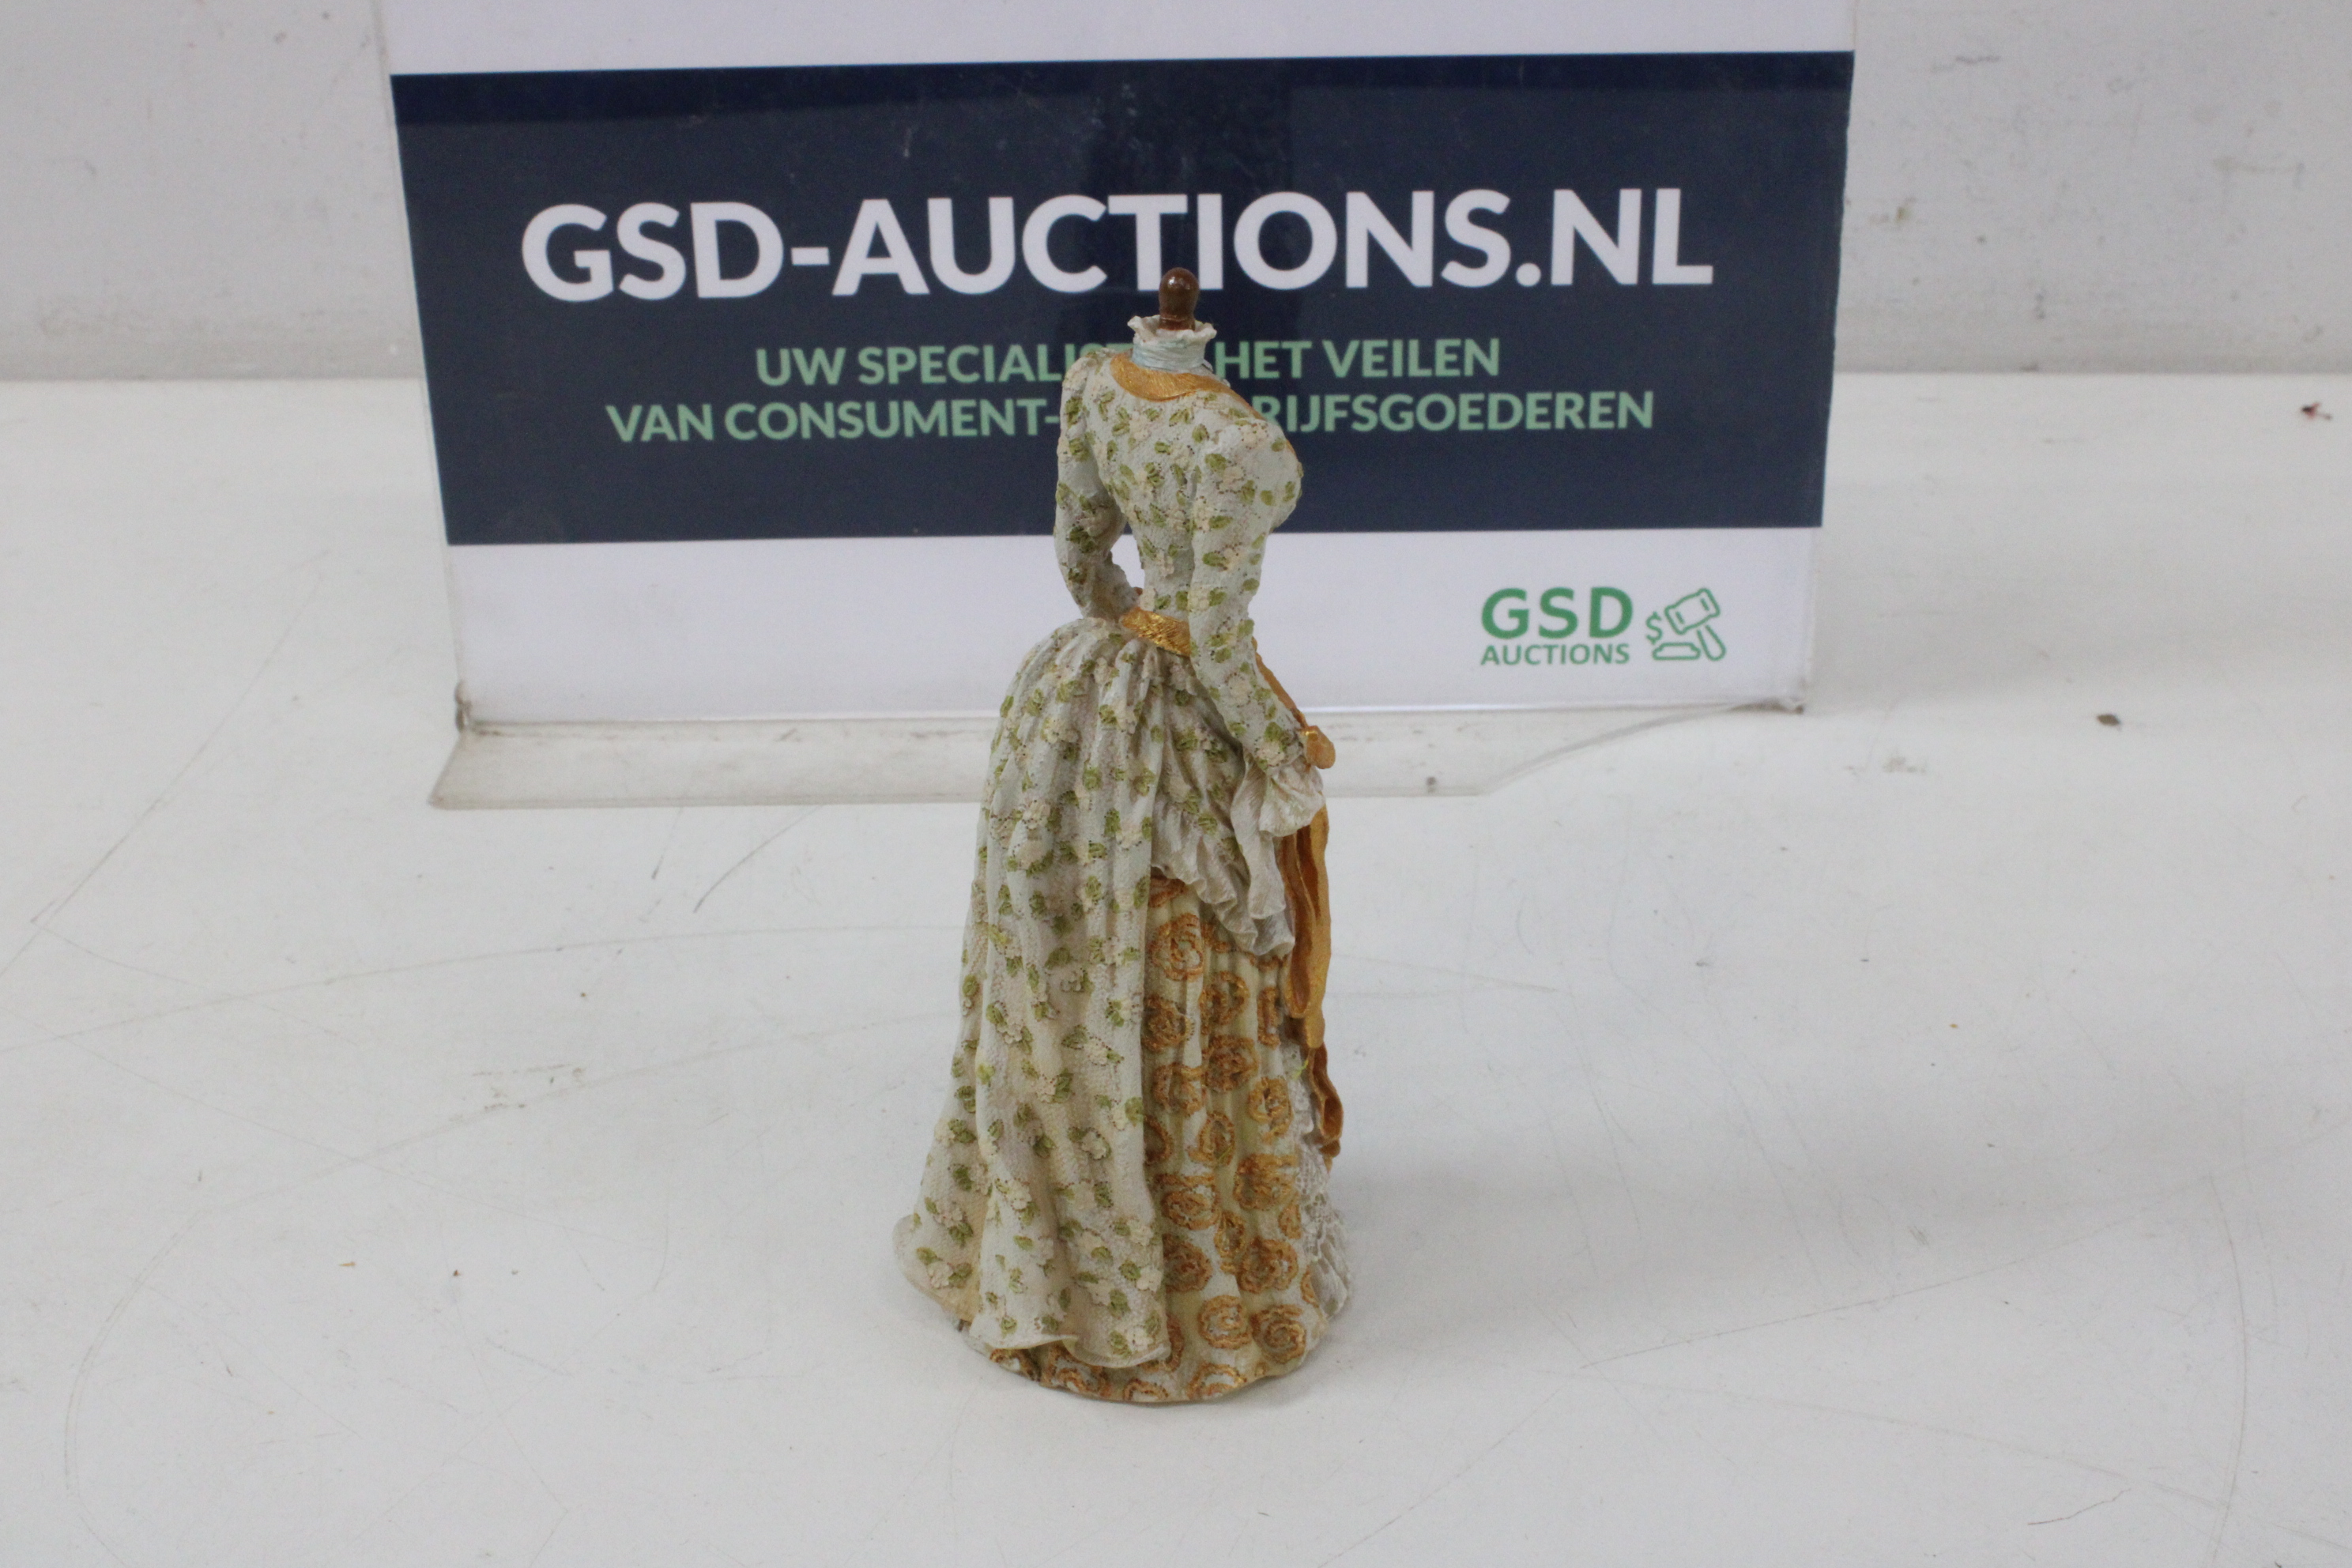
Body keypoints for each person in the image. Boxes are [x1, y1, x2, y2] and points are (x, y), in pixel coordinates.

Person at [893, 268, 1348, 1402]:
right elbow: (1218, 636)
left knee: (1063, 955)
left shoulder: (1094, 382)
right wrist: (1282, 750)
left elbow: (1082, 557)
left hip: (1078, 700)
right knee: (1192, 936)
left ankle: (1049, 1249)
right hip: (1186, 709)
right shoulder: (1241, 445)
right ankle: (1192, 1273)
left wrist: (1123, 637)